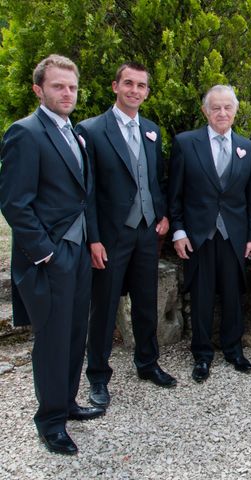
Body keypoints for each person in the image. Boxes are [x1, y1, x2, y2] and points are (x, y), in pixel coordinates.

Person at [0, 54, 104, 455]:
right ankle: (50, 421)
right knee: (53, 339)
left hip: (78, 253)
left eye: (72, 87)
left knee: (76, 331)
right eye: (58, 86)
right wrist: (45, 253)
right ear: (38, 89)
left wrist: (90, 241)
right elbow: (14, 202)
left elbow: (84, 198)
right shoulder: (25, 133)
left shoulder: (74, 132)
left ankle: (68, 402)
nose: (67, 93)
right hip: (50, 257)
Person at [77, 62, 176, 409]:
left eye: (142, 86)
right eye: (129, 83)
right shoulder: (90, 130)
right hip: (110, 236)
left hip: (147, 232)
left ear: (147, 92)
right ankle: (98, 377)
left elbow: (154, 178)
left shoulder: (152, 130)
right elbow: (86, 191)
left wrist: (162, 214)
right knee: (103, 309)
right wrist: (93, 238)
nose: (135, 90)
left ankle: (147, 363)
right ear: (115, 86)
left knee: (146, 303)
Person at [169, 85, 251, 382]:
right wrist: (178, 230)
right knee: (202, 296)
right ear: (205, 111)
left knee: (233, 296)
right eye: (216, 108)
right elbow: (175, 194)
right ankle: (202, 355)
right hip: (199, 235)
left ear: (235, 111)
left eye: (227, 108)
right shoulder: (185, 143)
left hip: (234, 235)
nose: (222, 113)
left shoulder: (249, 148)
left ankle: (234, 350)